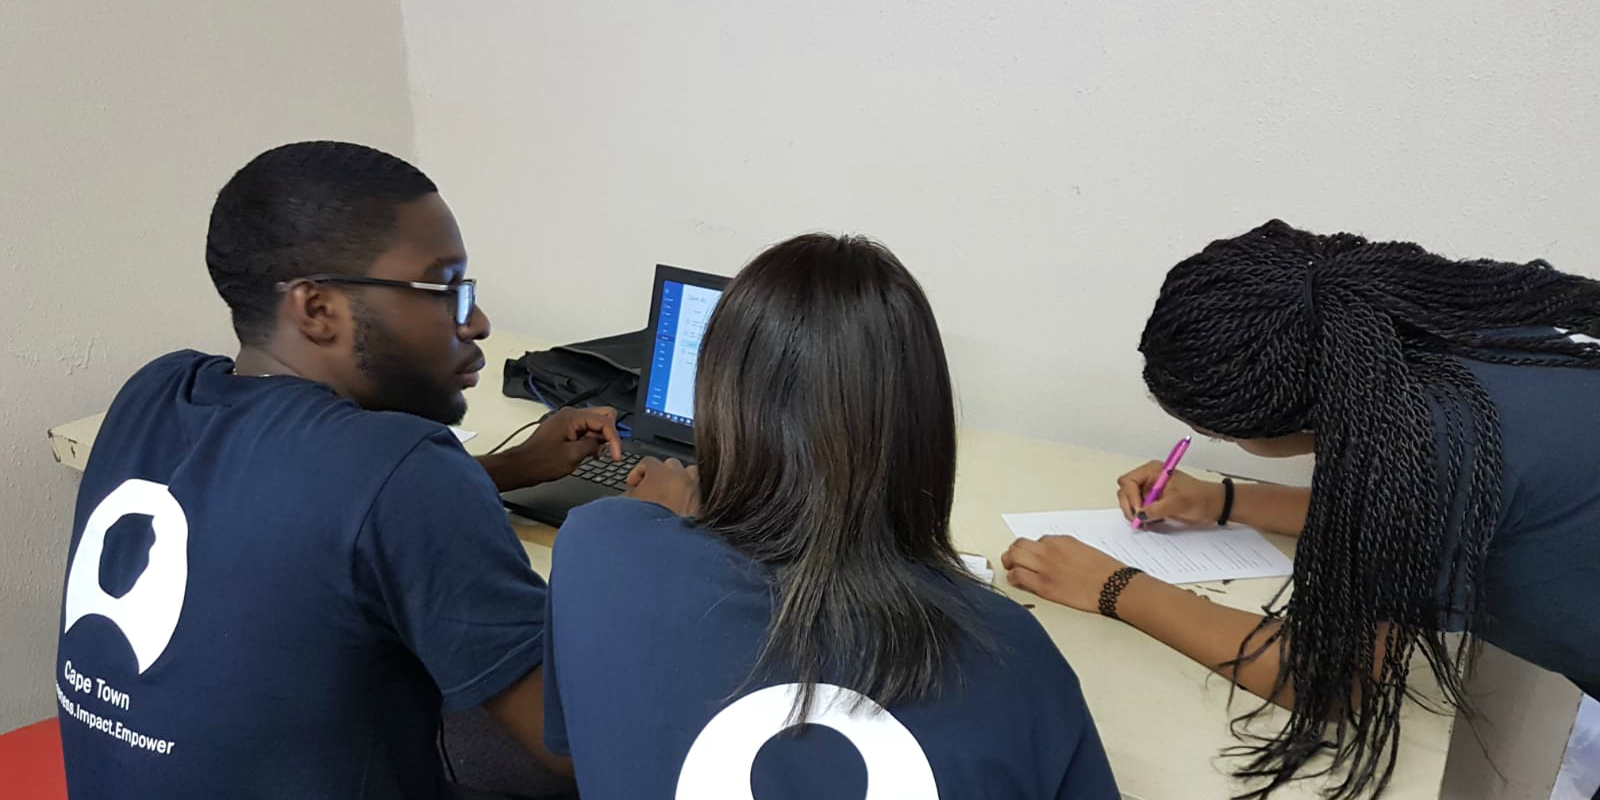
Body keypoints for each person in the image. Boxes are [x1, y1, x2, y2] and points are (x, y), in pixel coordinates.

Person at [54, 141, 619, 799]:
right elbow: (577, 743)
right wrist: (657, 543)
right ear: (318, 310)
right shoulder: (402, 470)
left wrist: (514, 467)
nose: (480, 322)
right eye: (444, 290)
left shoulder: (154, 392)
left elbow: (314, 510)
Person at [1003, 219, 1600, 799]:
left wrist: (1116, 587)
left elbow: (1332, 680)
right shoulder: (1468, 327)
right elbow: (1398, 513)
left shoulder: (1429, 441)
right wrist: (1223, 500)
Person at [541, 233, 1120, 799]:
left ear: (718, 410)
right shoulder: (1012, 653)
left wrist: (696, 516)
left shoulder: (597, 548)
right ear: (925, 425)